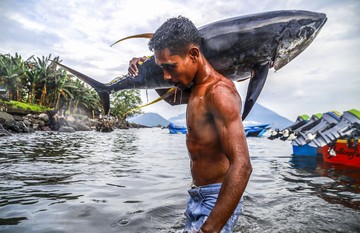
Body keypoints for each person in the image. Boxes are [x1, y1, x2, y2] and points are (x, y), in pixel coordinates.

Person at [128, 16, 252, 233]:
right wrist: (146, 69)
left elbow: (242, 165)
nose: (166, 76)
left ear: (194, 54)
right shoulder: (196, 90)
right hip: (198, 195)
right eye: (161, 68)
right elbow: (169, 99)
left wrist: (210, 229)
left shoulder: (219, 93)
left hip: (217, 198)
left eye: (170, 67)